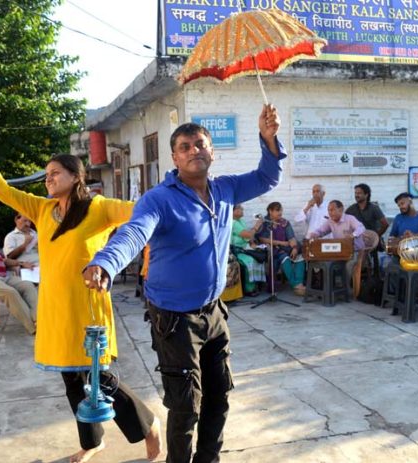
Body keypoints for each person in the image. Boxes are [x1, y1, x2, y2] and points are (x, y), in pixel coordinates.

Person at [83, 104, 285, 463]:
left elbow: (267, 178)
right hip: (174, 319)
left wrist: (268, 140)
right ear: (175, 157)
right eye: (186, 146)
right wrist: (106, 262)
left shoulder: (225, 190)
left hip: (214, 313)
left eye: (200, 144)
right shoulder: (159, 200)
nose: (194, 150)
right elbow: (133, 232)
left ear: (212, 151)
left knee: (219, 395)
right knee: (185, 406)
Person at [0, 119, 161, 463]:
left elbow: (144, 213)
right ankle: (92, 442)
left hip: (88, 310)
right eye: (47, 174)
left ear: (75, 175)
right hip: (56, 311)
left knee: (103, 381)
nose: (49, 178)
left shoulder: (98, 208)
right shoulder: (42, 210)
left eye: (55, 173)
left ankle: (149, 426)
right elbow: (1, 189)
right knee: (73, 382)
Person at [306, 200, 366, 292]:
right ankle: (328, 287)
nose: (330, 213)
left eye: (333, 210)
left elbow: (361, 228)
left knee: (348, 266)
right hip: (340, 252)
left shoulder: (350, 219)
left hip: (355, 252)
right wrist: (314, 234)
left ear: (341, 209)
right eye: (329, 210)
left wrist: (353, 235)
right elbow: (321, 230)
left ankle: (345, 289)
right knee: (326, 263)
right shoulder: (330, 221)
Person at [258, 201, 307, 296]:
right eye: (277, 210)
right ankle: (296, 284)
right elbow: (262, 239)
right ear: (270, 211)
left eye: (281, 210)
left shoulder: (284, 222)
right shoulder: (264, 223)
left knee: (300, 255)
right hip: (273, 249)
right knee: (284, 257)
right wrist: (281, 243)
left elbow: (291, 237)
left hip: (286, 248)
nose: (280, 212)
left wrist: (295, 248)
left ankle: (299, 283)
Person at [230, 204, 266, 297]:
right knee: (250, 261)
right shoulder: (233, 222)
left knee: (260, 256)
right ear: (234, 211)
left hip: (245, 247)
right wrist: (257, 225)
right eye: (240, 208)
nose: (242, 210)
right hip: (236, 250)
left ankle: (257, 284)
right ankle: (249, 289)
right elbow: (247, 234)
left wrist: (252, 243)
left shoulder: (241, 221)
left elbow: (249, 236)